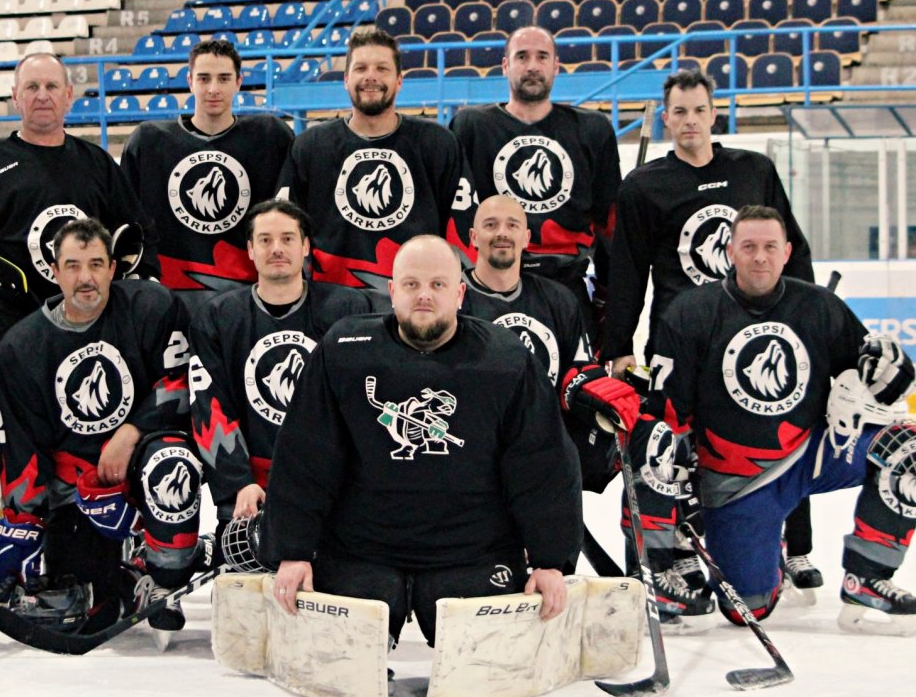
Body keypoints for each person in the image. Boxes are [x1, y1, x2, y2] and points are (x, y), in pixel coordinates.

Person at [258, 235, 582, 645]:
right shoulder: (343, 352)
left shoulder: (506, 359)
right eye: (411, 284)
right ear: (391, 291)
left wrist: (550, 561)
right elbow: (306, 456)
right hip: (362, 550)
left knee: (481, 671)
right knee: (341, 660)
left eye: (438, 284)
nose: (424, 295)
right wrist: (293, 550)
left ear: (460, 293)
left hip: (472, 552)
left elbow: (542, 463)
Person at [0, 52, 158, 592]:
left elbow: (134, 251)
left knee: (88, 438)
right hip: (9, 331)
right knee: (0, 444)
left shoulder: (96, 164)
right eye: (30, 86)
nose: (41, 96)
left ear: (69, 97)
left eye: (51, 86)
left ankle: (117, 548)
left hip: (90, 334)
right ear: (15, 96)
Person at [643, 205, 916, 629]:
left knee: (907, 449)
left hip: (810, 453)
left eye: (770, 247)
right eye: (748, 247)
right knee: (747, 608)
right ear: (730, 251)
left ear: (787, 252)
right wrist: (682, 495)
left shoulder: (819, 305)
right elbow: (664, 420)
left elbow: (874, 377)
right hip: (736, 482)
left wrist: (893, 371)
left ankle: (868, 576)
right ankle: (767, 546)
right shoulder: (690, 312)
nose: (760, 257)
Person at [602, 69, 822, 589]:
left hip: (755, 333)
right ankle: (675, 544)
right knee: (675, 445)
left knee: (778, 435)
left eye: (698, 110)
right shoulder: (644, 186)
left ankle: (794, 546)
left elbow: (791, 247)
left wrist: (806, 320)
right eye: (678, 112)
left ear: (714, 113)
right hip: (681, 342)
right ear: (665, 118)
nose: (689, 121)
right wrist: (617, 350)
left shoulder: (754, 169)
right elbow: (628, 272)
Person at [0, 218, 202, 637]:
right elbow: (23, 445)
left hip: (142, 461)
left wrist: (131, 431)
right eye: (72, 265)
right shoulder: (21, 346)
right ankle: (123, 576)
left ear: (112, 269)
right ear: (54, 271)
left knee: (172, 464)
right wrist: (22, 527)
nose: (85, 278)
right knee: (90, 611)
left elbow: (182, 385)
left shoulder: (153, 307)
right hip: (79, 488)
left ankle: (161, 579)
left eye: (95, 264)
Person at [188, 199, 374, 551]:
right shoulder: (217, 317)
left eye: (288, 239)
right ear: (250, 249)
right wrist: (238, 482)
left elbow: (360, 405)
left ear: (306, 247)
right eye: (265, 240)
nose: (277, 249)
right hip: (251, 488)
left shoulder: (348, 311)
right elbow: (208, 407)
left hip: (328, 482)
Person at [275, 27, 474, 296]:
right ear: (345, 79)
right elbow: (286, 227)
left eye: (382, 68)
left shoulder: (439, 144)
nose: (371, 77)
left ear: (399, 80)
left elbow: (462, 231)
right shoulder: (310, 146)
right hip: (331, 302)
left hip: (416, 302)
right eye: (361, 68)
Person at [462, 195, 637, 499]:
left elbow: (577, 368)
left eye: (512, 225)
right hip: (470, 457)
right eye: (490, 225)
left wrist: (594, 391)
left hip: (543, 458)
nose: (502, 232)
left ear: (526, 237)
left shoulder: (558, 299)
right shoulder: (453, 300)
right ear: (474, 237)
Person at [450, 26, 621, 337]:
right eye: (522, 57)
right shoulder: (471, 127)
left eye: (542, 57)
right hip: (489, 288)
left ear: (556, 66)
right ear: (505, 66)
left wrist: (610, 299)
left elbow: (610, 227)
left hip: (567, 291)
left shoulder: (592, 131)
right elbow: (455, 219)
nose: (532, 66)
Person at [121, 39, 294, 311]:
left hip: (250, 297)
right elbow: (126, 222)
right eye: (204, 78)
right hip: (172, 296)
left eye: (224, 78)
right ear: (190, 81)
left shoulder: (271, 138)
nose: (213, 89)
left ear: (238, 82)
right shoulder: (149, 142)